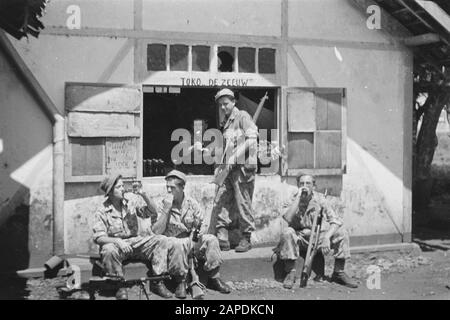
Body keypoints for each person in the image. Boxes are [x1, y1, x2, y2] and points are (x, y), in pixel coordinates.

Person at [92, 174, 178, 300]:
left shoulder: (130, 202)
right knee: (108, 250)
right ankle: (119, 285)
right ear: (110, 192)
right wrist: (118, 241)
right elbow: (98, 237)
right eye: (119, 186)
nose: (123, 189)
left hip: (136, 243)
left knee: (161, 240)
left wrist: (143, 194)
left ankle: (157, 281)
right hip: (118, 247)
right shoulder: (102, 210)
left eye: (123, 185)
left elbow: (152, 211)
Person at [152, 170, 231, 299]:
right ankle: (180, 282)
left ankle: (214, 278)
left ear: (182, 187)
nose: (169, 191)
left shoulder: (192, 204)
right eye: (167, 187)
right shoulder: (162, 205)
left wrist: (198, 231)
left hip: (191, 242)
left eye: (172, 188)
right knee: (179, 243)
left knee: (211, 239)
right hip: (173, 245)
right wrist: (167, 210)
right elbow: (157, 232)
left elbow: (202, 226)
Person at [275, 174, 358, 289]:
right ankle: (291, 272)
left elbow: (336, 221)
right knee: (287, 232)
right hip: (300, 238)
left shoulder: (320, 199)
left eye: (308, 184)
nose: (304, 186)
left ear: (313, 186)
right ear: (297, 185)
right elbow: (288, 218)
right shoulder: (292, 199)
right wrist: (298, 198)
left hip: (317, 237)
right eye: (301, 184)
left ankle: (338, 272)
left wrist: (326, 237)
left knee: (341, 232)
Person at [203, 88, 258, 253]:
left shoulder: (242, 117)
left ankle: (246, 238)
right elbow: (226, 146)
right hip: (228, 168)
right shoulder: (226, 122)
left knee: (243, 202)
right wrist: (207, 151)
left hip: (242, 169)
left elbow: (252, 139)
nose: (223, 108)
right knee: (221, 199)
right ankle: (222, 237)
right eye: (220, 105)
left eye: (226, 104)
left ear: (234, 102)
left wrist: (236, 157)